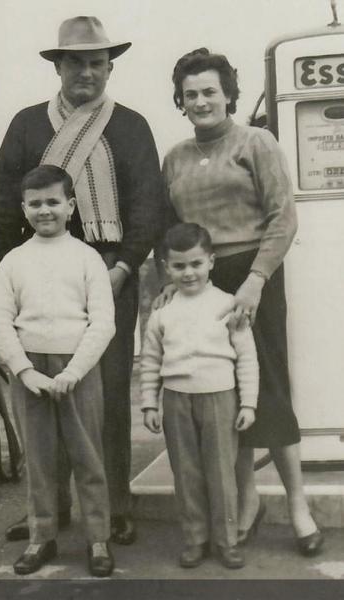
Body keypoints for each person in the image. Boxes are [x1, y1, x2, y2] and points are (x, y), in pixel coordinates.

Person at [0, 16, 166, 545]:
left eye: (95, 63)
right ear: (58, 67)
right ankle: (50, 508)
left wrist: (123, 269)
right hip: (42, 275)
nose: (86, 72)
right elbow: (3, 207)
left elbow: (147, 207)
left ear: (110, 68)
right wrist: (21, 273)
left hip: (112, 273)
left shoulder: (130, 126)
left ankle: (113, 505)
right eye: (75, 63)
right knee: (42, 391)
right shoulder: (27, 125)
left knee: (105, 393)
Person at [158, 48, 324, 557]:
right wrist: (168, 283)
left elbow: (283, 218)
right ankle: (247, 500)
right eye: (190, 94)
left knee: (267, 385)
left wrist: (255, 280)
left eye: (210, 91)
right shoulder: (175, 157)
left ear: (229, 94)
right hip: (201, 283)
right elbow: (170, 231)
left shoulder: (257, 142)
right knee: (225, 391)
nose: (200, 101)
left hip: (255, 275)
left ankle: (298, 505)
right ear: (180, 101)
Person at [0, 165, 116, 577]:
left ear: (70, 205)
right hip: (30, 371)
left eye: (53, 202)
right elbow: (0, 323)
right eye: (35, 203)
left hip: (78, 368)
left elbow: (103, 322)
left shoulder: (87, 258)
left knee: (88, 456)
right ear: (24, 208)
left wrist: (74, 371)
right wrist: (25, 372)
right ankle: (41, 536)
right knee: (39, 459)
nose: (45, 210)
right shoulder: (13, 262)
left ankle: (97, 538)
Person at [141, 223, 259, 569]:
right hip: (176, 400)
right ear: (166, 267)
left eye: (196, 263)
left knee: (222, 474)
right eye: (179, 266)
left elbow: (247, 357)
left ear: (211, 261)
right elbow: (150, 361)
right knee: (186, 473)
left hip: (220, 399)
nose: (188, 272)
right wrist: (149, 403)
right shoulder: (162, 313)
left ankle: (227, 540)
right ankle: (195, 538)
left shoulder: (228, 305)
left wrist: (248, 403)